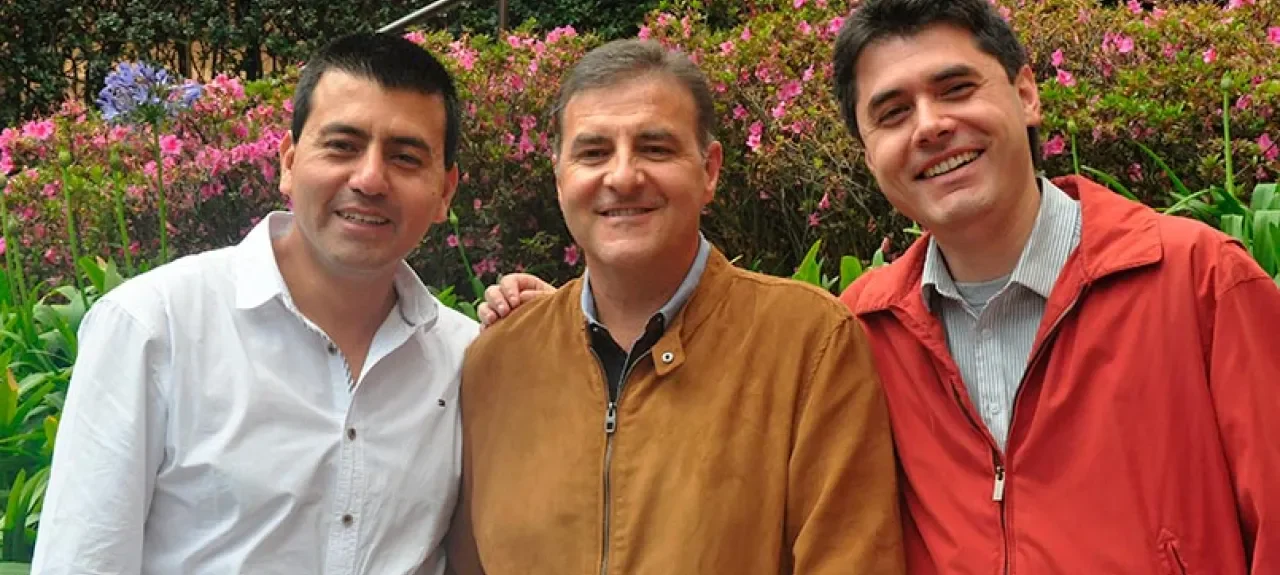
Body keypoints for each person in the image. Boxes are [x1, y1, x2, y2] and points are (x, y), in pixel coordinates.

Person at [478, 0, 1280, 572]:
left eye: (956, 88)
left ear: (1027, 92)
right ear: (867, 150)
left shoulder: (1198, 281)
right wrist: (548, 324)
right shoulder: (865, 328)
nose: (930, 126)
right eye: (892, 112)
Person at [445, 38, 904, 574]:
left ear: (709, 169)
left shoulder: (809, 344)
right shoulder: (499, 362)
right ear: (559, 177)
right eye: (593, 153)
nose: (622, 176)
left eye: (655, 148)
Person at [32, 32, 477, 574]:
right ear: (288, 162)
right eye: (342, 146)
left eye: (405, 158)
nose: (369, 179)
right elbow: (83, 559)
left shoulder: (466, 359)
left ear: (445, 191)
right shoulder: (155, 327)